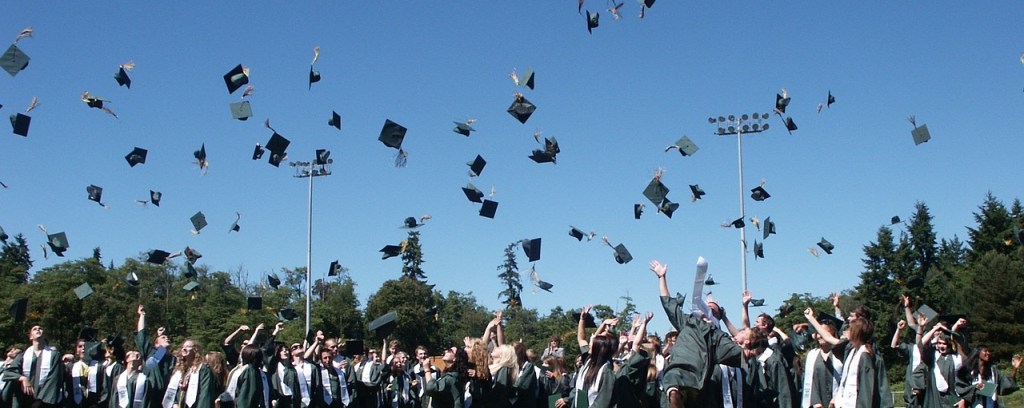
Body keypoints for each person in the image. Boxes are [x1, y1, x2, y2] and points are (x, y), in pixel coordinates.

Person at [650, 259, 744, 408]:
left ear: (718, 317)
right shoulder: (688, 321)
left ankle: (677, 393)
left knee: (683, 387)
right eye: (706, 307)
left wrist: (752, 343)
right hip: (678, 373)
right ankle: (675, 394)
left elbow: (741, 354)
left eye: (713, 309)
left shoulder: (718, 336)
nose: (707, 309)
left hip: (698, 381)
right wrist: (662, 277)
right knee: (673, 382)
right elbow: (669, 304)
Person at [1, 325, 66, 408]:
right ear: (31, 337)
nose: (38, 329)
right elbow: (8, 372)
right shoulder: (23, 355)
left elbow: (54, 378)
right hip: (24, 398)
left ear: (44, 335)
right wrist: (22, 378)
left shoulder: (54, 355)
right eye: (35, 329)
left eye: (40, 328)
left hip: (44, 401)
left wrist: (40, 400)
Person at [921, 318, 968, 408]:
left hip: (952, 396)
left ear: (949, 345)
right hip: (936, 397)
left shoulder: (956, 358)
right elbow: (922, 344)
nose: (941, 346)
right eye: (939, 344)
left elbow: (965, 362)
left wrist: (953, 327)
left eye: (944, 344)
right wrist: (934, 329)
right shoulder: (933, 356)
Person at [134, 305, 174, 408]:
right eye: (163, 338)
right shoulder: (150, 352)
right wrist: (142, 315)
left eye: (168, 338)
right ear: (156, 344)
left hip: (166, 398)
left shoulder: (173, 359)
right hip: (149, 396)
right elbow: (141, 334)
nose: (167, 339)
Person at [954, 345, 1020, 407]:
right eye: (985, 351)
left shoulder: (993, 371)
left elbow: (1006, 384)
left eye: (989, 351)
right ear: (978, 352)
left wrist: (1015, 369)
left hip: (991, 405)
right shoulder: (968, 371)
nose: (988, 353)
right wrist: (974, 388)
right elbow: (961, 388)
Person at [161, 339, 216, 408]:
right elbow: (174, 390)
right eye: (183, 347)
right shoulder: (181, 370)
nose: (184, 349)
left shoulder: (203, 369)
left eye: (188, 346)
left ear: (195, 350)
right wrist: (174, 403)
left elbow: (205, 395)